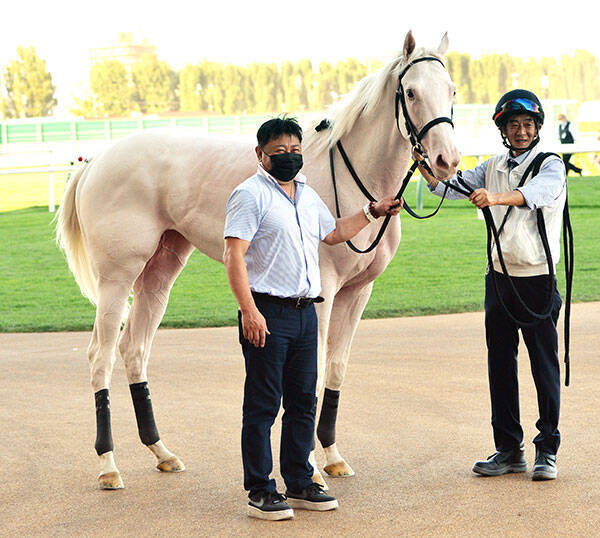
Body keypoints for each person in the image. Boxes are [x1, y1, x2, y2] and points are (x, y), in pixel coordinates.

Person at [223, 116, 402, 520]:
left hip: (306, 313)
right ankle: (260, 489)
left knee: (304, 402)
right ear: (260, 155)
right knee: (263, 405)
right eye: (279, 152)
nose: (289, 158)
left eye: (295, 150)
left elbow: (334, 233)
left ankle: (300, 480)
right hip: (267, 313)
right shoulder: (249, 195)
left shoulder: (306, 193)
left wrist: (373, 211)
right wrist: (248, 310)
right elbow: (233, 255)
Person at [418, 89, 566, 481]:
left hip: (536, 279)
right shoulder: (493, 164)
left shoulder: (550, 164)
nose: (521, 131)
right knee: (500, 366)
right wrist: (424, 166)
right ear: (503, 129)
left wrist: (494, 197)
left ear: (537, 128)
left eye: (528, 125)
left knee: (544, 366)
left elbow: (535, 195)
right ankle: (508, 449)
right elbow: (447, 186)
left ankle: (547, 449)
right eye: (514, 125)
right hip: (499, 278)